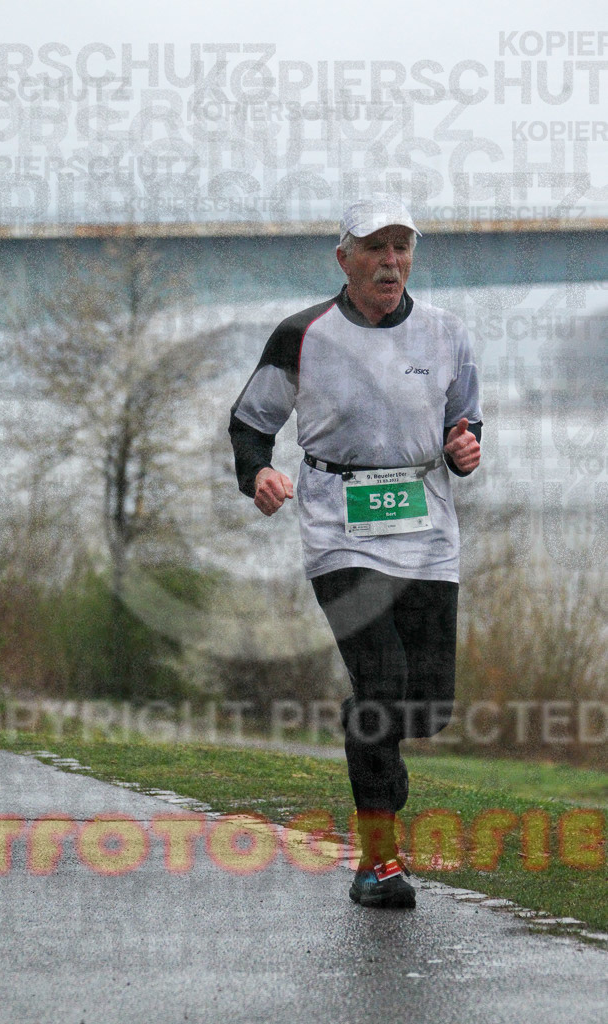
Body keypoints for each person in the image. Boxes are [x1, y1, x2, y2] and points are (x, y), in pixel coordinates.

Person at [228, 196, 482, 908]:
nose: (390, 262)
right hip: (340, 528)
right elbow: (250, 421)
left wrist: (464, 448)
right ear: (344, 259)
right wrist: (258, 473)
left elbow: (464, 420)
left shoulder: (447, 334)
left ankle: (374, 750)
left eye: (401, 247)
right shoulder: (302, 335)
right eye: (375, 247)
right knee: (381, 684)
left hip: (426, 532)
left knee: (426, 706)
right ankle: (379, 862)